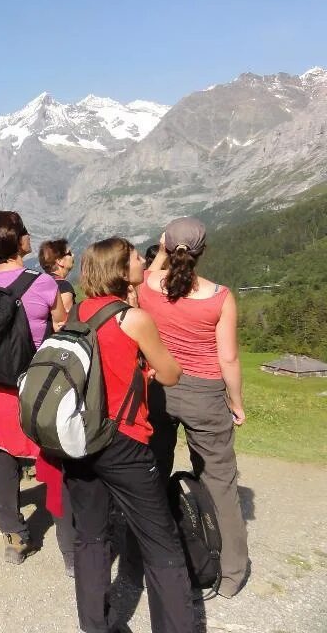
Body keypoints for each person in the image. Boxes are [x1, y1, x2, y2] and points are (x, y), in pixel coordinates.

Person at [65, 237, 194, 633]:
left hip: (80, 437)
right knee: (160, 540)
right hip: (124, 440)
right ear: (123, 271)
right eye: (138, 257)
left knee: (89, 537)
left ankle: (96, 625)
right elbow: (171, 374)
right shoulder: (132, 319)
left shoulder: (78, 314)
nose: (145, 261)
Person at [139, 217, 250, 597]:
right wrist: (236, 403)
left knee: (153, 472)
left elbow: (147, 276)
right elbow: (229, 358)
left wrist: (160, 253)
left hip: (159, 388)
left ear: (166, 247)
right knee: (220, 481)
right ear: (202, 252)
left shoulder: (149, 287)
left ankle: (151, 559)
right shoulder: (221, 296)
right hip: (205, 393)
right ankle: (232, 574)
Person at [0, 211, 68, 563]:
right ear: (17, 241)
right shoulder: (44, 283)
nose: (29, 236)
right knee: (53, 451)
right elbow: (61, 328)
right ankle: (67, 525)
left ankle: (13, 534)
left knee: (1, 455)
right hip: (33, 381)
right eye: (25, 232)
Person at [38, 238, 76, 313]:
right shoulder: (63, 286)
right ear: (59, 261)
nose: (73, 255)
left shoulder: (40, 283)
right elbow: (65, 319)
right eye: (69, 253)